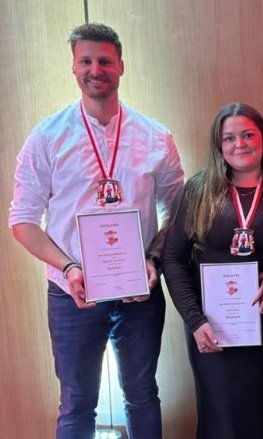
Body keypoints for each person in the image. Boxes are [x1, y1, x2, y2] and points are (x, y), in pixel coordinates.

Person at [8, 23, 184, 438]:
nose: (95, 69)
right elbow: (22, 221)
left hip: (139, 292)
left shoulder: (156, 138)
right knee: (76, 402)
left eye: (105, 60)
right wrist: (69, 268)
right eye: (85, 61)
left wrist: (153, 259)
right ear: (73, 67)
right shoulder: (46, 139)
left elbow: (178, 212)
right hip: (72, 293)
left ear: (121, 66)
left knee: (143, 395)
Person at [161, 103, 263, 438]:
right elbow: (173, 259)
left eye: (248, 135)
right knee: (222, 421)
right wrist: (195, 321)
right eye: (229, 138)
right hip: (212, 330)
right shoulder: (198, 190)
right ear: (218, 145)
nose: (239, 144)